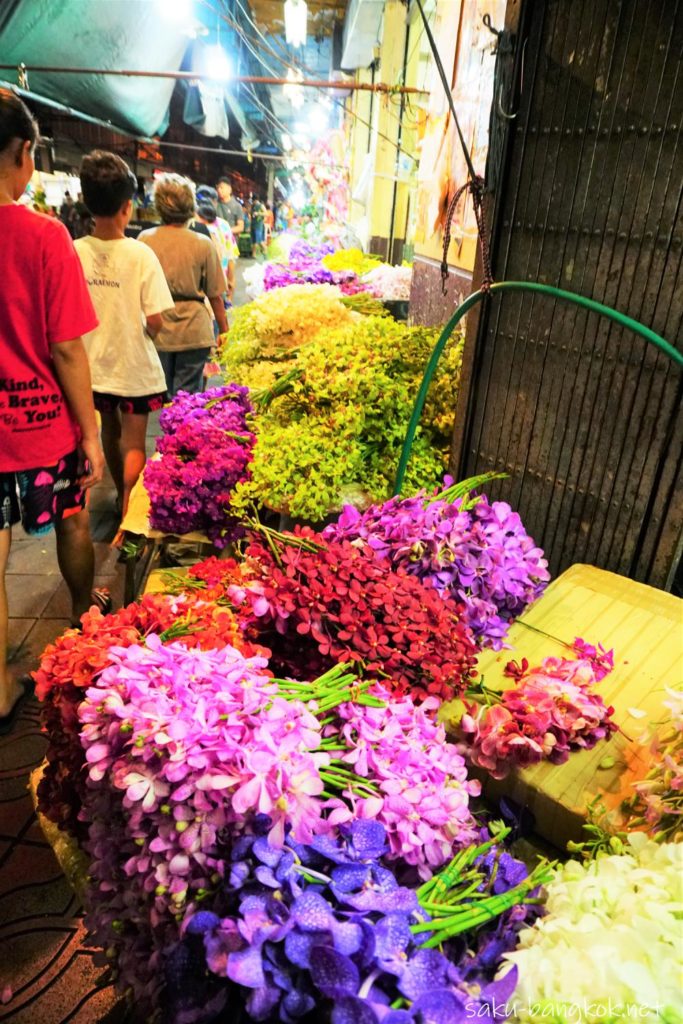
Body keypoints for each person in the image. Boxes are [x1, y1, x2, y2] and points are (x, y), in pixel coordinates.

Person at [0, 90, 106, 730]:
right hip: (41, 430)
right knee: (71, 521)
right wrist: (89, 434)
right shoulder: (44, 237)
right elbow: (68, 350)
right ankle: (82, 625)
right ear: (24, 153)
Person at [74, 151, 174, 534]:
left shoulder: (73, 250)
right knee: (134, 441)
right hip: (132, 366)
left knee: (108, 433)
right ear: (128, 207)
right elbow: (155, 319)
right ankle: (130, 509)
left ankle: (119, 494)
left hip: (91, 368)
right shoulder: (140, 255)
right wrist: (148, 335)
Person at [138, 174, 228, 396]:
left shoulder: (144, 240)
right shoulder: (203, 243)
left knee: (162, 396)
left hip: (156, 328)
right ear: (191, 206)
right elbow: (216, 295)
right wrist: (225, 331)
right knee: (188, 402)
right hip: (193, 332)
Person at [195, 185, 237, 302]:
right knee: (218, 317)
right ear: (215, 203)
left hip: (194, 289)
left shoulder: (190, 224)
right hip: (218, 285)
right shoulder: (223, 226)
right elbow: (230, 257)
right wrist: (231, 281)